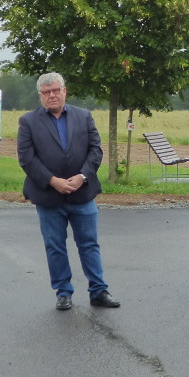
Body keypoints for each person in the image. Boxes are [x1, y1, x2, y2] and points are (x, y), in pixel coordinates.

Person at [17, 72, 119, 311]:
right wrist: (53, 181)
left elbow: (96, 150)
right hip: (48, 196)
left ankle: (99, 291)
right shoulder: (28, 122)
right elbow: (27, 159)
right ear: (40, 95)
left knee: (90, 244)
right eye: (46, 92)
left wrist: (82, 177)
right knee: (55, 246)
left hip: (82, 194)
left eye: (55, 90)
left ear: (64, 91)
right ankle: (63, 292)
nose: (52, 95)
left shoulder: (84, 117)